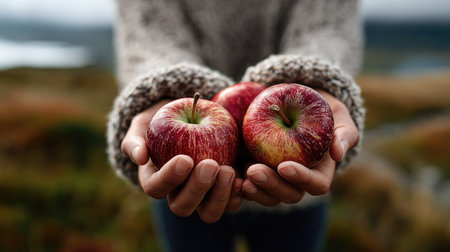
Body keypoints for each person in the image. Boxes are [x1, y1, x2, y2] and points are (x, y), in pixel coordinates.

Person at [107, 0, 365, 251]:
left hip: (299, 184)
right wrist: (165, 88)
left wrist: (313, 80)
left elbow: (327, 27)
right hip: (185, 185)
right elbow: (149, 33)